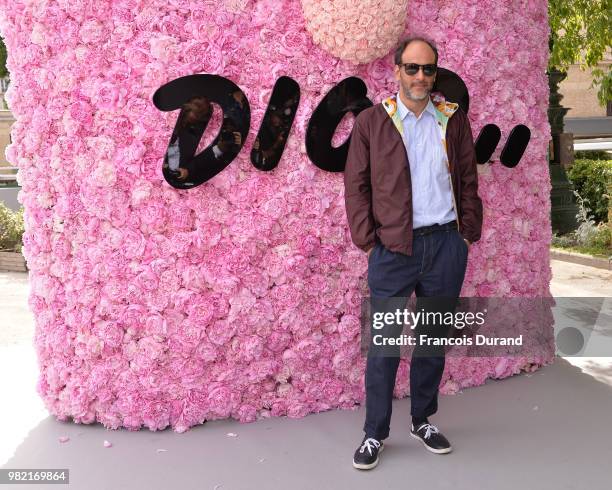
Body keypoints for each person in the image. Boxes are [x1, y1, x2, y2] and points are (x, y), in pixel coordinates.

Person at [344, 36, 483, 470]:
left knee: (432, 341)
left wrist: (465, 236)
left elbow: (467, 180)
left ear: (434, 73)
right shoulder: (372, 121)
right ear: (397, 70)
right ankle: (374, 433)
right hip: (393, 249)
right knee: (383, 345)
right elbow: (356, 185)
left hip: (445, 245)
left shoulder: (451, 120)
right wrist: (370, 241)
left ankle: (422, 419)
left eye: (428, 69)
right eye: (412, 68)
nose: (420, 77)